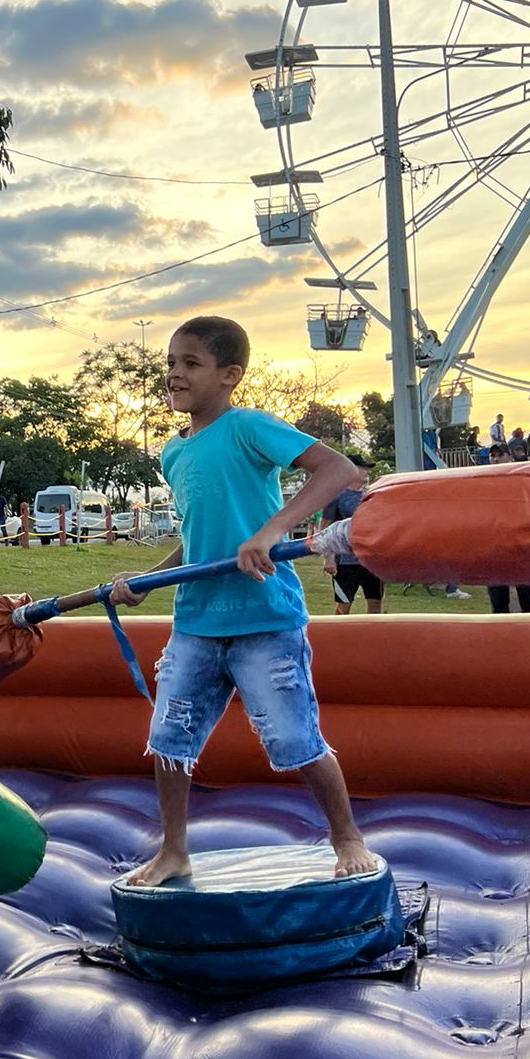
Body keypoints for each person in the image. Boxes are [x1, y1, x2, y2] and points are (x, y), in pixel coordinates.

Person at [108, 315, 376, 885]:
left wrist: (271, 532)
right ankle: (174, 850)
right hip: (196, 623)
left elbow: (338, 470)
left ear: (229, 376)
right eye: (171, 364)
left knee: (294, 737)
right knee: (169, 739)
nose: (175, 375)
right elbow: (197, 538)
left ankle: (346, 836)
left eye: (190, 364)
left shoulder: (248, 427)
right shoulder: (173, 455)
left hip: (264, 618)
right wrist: (148, 578)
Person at [319, 457, 384, 615]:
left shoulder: (373, 495)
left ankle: (373, 638)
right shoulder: (336, 496)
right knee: (343, 606)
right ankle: (337, 638)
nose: (367, 472)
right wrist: (328, 558)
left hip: (370, 560)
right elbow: (325, 527)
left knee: (375, 603)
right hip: (345, 562)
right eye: (363, 468)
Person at [484, 445, 530, 613]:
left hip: (520, 547)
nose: (495, 459)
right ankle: (499, 638)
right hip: (495, 550)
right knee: (498, 603)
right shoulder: (484, 482)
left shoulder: (521, 479)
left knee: (528, 601)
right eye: (492, 455)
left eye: (500, 455)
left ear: (509, 457)